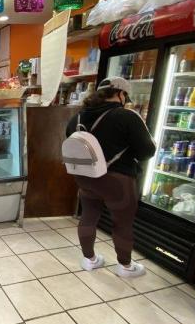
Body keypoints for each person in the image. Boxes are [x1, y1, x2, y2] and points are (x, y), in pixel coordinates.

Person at [66, 77, 156, 277]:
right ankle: (125, 266)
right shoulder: (127, 116)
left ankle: (90, 260)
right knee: (122, 223)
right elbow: (147, 151)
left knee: (88, 216)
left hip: (85, 178)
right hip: (117, 181)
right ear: (121, 94)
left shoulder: (77, 118)